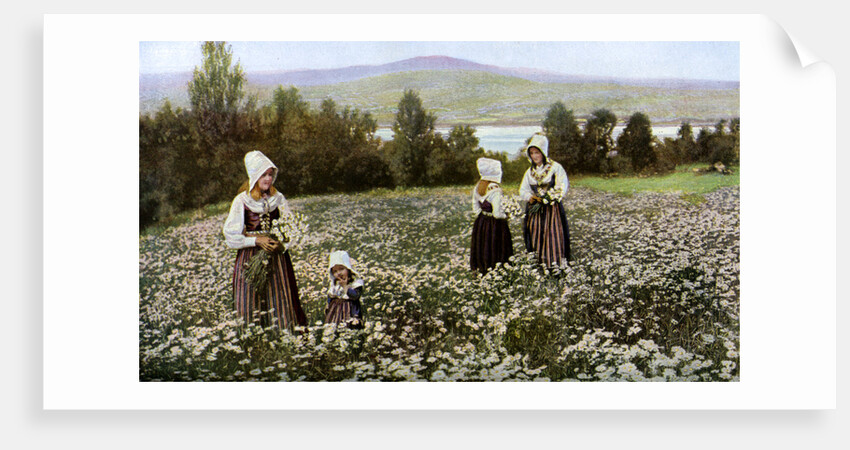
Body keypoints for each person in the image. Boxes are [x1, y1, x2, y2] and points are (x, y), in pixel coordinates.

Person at [222, 150, 307, 330]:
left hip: (275, 257)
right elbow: (230, 235)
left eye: (270, 174)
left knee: (279, 295)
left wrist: (282, 245)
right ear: (254, 176)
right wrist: (255, 241)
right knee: (250, 297)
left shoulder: (278, 198)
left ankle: (283, 335)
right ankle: (252, 338)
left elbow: (290, 227)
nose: (268, 179)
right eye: (263, 175)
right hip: (250, 257)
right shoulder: (242, 200)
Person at [519, 134, 572, 267]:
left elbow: (562, 186)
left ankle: (554, 264)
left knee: (552, 235)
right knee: (536, 234)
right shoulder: (529, 172)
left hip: (552, 209)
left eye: (537, 152)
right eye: (532, 153)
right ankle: (539, 264)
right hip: (535, 210)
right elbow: (523, 190)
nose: (534, 156)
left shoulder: (555, 167)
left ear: (543, 152)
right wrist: (531, 197)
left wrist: (551, 197)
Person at [470, 157, 514, 274]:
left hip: (482, 222)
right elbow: (497, 213)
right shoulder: (495, 189)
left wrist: (483, 220)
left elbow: (476, 209)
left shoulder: (478, 186)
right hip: (495, 225)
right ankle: (498, 271)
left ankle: (483, 269)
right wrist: (507, 215)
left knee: (483, 246)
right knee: (495, 247)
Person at [324, 250, 365, 329]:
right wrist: (328, 306)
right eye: (335, 271)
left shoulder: (355, 283)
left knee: (349, 327)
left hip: (349, 310)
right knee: (333, 326)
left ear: (348, 268)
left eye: (341, 269)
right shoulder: (335, 284)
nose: (338, 273)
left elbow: (355, 296)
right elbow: (330, 296)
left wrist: (345, 287)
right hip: (335, 310)